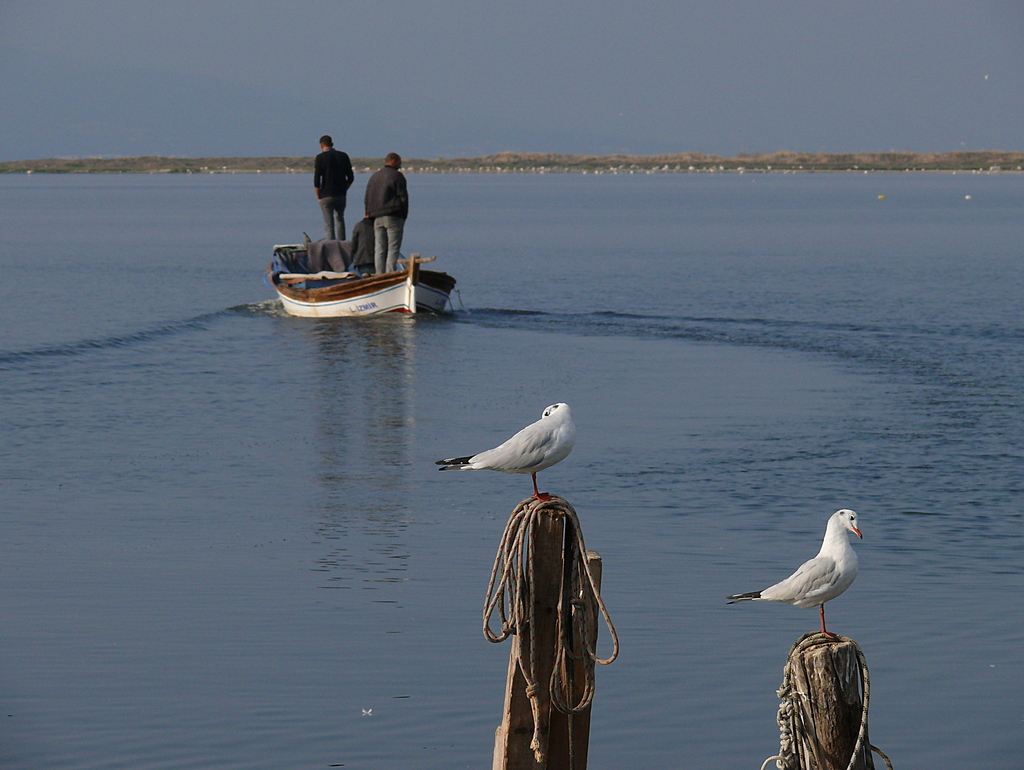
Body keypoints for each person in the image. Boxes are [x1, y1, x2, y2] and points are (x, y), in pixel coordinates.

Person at [363, 152, 408, 274]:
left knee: (380, 248)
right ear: (393, 161)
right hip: (393, 215)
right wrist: (404, 215)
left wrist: (369, 212)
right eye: (399, 162)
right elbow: (403, 197)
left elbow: (368, 196)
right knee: (393, 248)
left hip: (376, 216)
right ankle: (390, 273)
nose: (400, 164)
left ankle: (379, 274)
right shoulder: (397, 176)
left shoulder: (374, 176)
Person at [313, 135, 355, 241]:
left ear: (321, 145)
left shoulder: (320, 158)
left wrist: (318, 196)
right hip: (341, 194)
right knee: (340, 219)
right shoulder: (343, 156)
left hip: (326, 195)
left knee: (329, 224)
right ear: (332, 144)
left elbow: (317, 180)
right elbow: (350, 177)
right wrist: (345, 188)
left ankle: (331, 247)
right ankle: (342, 244)